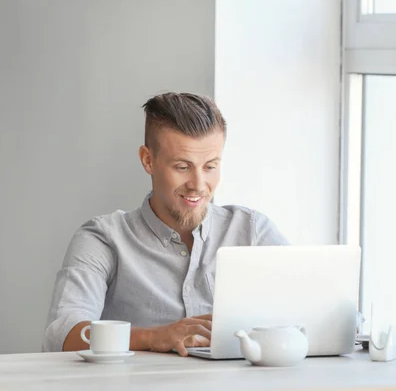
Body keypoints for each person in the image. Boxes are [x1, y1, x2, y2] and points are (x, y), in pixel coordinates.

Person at [42, 92, 288, 356]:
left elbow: (306, 310)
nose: (198, 184)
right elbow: (61, 335)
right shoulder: (103, 238)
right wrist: (154, 337)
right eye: (182, 167)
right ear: (148, 160)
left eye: (210, 167)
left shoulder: (252, 231)